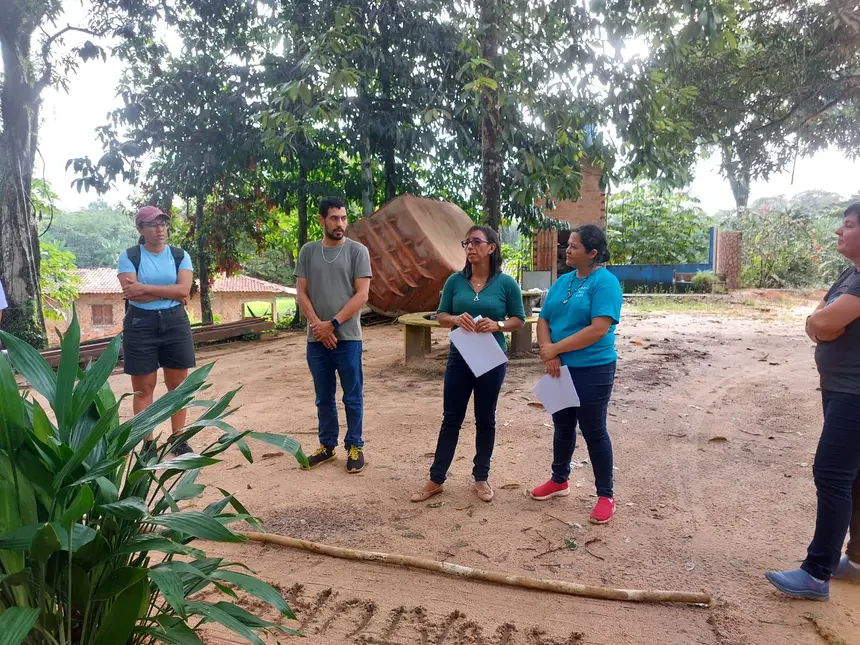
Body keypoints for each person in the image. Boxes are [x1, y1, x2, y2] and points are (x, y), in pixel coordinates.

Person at [766, 202, 860, 600]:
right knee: (853, 476)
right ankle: (856, 561)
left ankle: (816, 573)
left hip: (854, 394)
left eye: (848, 225)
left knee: (832, 474)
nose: (839, 231)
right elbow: (817, 319)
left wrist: (820, 324)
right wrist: (818, 324)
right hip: (840, 387)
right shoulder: (850, 275)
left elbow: (823, 321)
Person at [411, 225, 525, 504]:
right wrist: (454, 319)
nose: (470, 247)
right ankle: (436, 479)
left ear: (491, 247)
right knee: (451, 418)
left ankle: (481, 477)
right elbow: (441, 315)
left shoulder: (506, 284)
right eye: (467, 243)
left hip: (490, 358)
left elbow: (518, 319)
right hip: (460, 357)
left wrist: (497, 325)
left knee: (486, 419)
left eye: (476, 242)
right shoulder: (455, 281)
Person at [527, 224, 623, 525]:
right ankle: (559, 480)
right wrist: (550, 353)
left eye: (573, 246)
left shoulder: (605, 283)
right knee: (563, 426)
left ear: (592, 253)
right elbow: (544, 318)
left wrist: (555, 348)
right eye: (567, 245)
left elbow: (599, 328)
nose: (567, 250)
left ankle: (606, 495)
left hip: (593, 368)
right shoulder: (563, 281)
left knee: (594, 431)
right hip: (559, 367)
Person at [296, 196, 372, 474]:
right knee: (323, 397)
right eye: (334, 218)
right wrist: (319, 326)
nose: (340, 224)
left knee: (352, 396)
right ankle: (327, 446)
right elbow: (301, 293)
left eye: (343, 218)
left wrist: (333, 323)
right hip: (316, 339)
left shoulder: (357, 251)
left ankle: (355, 445)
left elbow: (362, 295)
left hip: (348, 338)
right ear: (322, 220)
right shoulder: (308, 251)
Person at [117, 205, 195, 457]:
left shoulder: (180, 256)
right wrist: (170, 292)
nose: (160, 229)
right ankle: (147, 443)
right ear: (141, 229)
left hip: (175, 323)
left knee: (178, 386)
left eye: (162, 224)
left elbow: (184, 290)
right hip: (141, 325)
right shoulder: (129, 257)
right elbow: (132, 294)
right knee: (144, 388)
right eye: (152, 224)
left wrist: (146, 288)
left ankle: (178, 439)